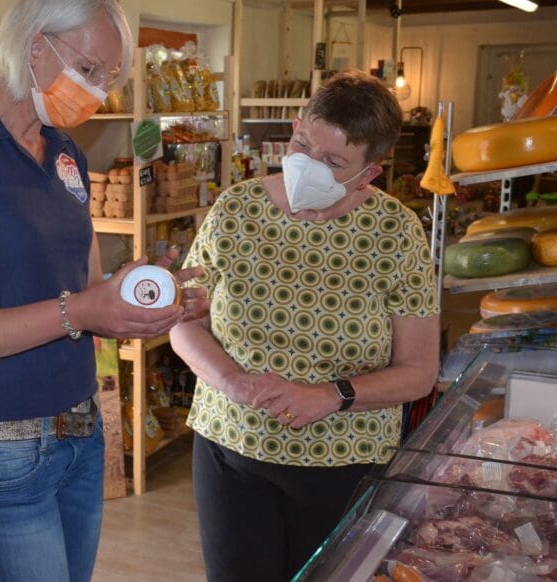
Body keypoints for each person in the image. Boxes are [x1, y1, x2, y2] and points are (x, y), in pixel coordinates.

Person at [0, 0, 206, 582]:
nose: (97, 90)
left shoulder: (64, 150)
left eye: (108, 77)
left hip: (79, 430)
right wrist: (83, 311)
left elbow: (84, 285)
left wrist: (146, 293)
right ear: (36, 46)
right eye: (89, 69)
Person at [170, 70, 440, 582]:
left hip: (343, 464)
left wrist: (330, 394)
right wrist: (234, 383)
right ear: (296, 126)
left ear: (369, 174)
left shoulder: (395, 233)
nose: (307, 165)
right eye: (301, 144)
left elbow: (419, 371)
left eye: (333, 162)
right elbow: (187, 324)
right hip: (231, 452)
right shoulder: (236, 210)